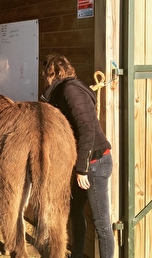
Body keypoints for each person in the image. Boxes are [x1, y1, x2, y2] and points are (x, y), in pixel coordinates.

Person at [41, 53, 114, 258]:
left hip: (95, 162)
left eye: (46, 74)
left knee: (101, 223)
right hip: (84, 162)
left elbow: (87, 129)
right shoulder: (64, 90)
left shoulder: (71, 90)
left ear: (52, 73)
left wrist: (82, 169)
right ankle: (78, 254)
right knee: (75, 212)